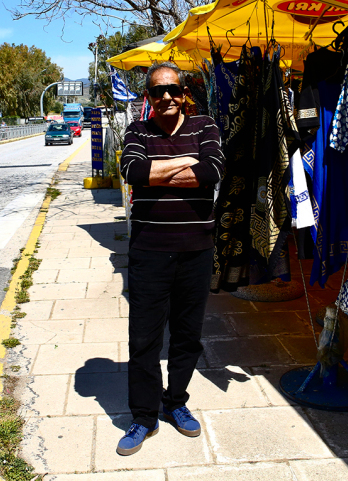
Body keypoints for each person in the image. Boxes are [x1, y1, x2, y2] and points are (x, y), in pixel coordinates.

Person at [117, 61, 224, 456]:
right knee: (143, 339)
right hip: (149, 252)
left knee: (187, 336)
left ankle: (176, 402)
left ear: (184, 95)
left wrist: (156, 171)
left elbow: (213, 170)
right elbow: (133, 171)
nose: (166, 97)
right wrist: (185, 164)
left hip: (197, 250)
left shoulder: (206, 125)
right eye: (157, 91)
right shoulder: (137, 130)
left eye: (172, 90)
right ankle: (143, 417)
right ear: (148, 97)